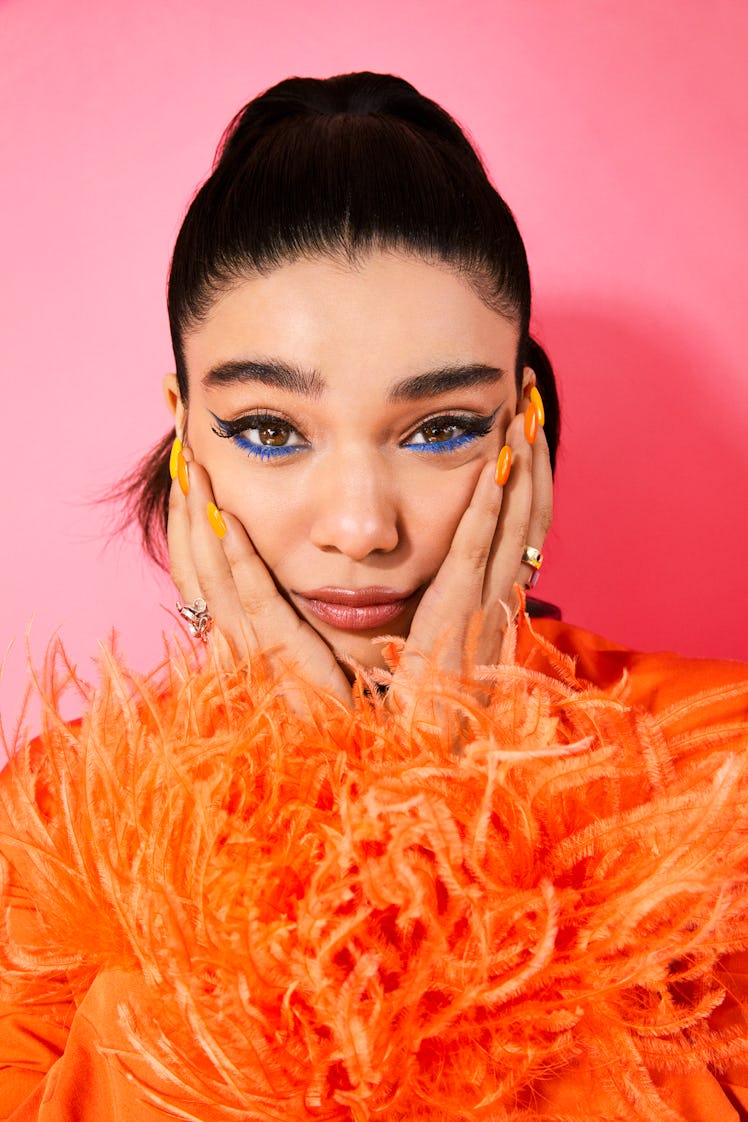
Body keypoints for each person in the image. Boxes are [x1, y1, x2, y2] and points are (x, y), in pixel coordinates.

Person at [1, 72, 747, 1122]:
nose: (360, 526)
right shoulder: (49, 822)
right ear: (184, 433)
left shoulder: (721, 770)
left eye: (438, 427)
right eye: (268, 429)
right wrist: (292, 810)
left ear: (519, 430)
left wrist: (455, 813)